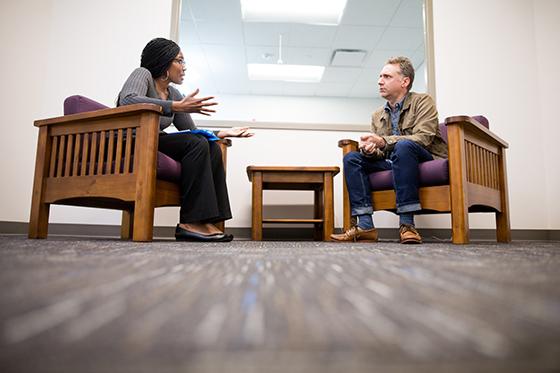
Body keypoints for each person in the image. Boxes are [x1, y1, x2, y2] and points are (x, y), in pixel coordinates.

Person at [117, 38, 253, 242]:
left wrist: (223, 133)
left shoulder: (173, 92)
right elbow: (127, 100)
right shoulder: (142, 74)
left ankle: (206, 219)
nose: (184, 67)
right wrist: (176, 106)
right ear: (164, 62)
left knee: (209, 145)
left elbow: (192, 131)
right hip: (133, 142)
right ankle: (189, 222)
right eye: (179, 61)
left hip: (153, 141)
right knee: (196, 143)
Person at [331, 56, 447, 244]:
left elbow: (423, 138)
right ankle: (365, 225)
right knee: (352, 158)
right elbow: (382, 153)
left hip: (424, 157)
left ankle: (407, 225)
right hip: (394, 161)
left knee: (403, 146)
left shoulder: (423, 102)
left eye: (386, 76)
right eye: (380, 76)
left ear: (405, 81)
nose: (380, 81)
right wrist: (371, 151)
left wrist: (384, 142)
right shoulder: (377, 115)